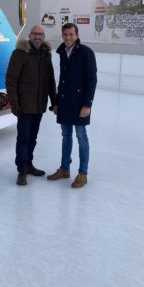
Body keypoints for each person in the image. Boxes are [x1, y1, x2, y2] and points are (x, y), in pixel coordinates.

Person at [5, 25, 57, 186]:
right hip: (24, 105)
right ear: (29, 35)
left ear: (43, 36)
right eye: (35, 33)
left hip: (39, 105)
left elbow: (50, 81)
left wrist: (54, 101)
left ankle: (28, 165)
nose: (37, 37)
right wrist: (14, 103)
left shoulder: (45, 54)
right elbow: (11, 80)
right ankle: (21, 170)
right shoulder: (19, 54)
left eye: (40, 34)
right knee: (23, 138)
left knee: (32, 138)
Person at [47, 23, 97, 188]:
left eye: (71, 35)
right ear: (62, 35)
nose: (68, 38)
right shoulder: (62, 52)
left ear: (77, 35)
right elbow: (62, 80)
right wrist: (56, 103)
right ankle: (65, 168)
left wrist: (87, 104)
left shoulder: (85, 53)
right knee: (66, 136)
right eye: (65, 35)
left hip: (80, 104)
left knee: (81, 136)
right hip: (65, 102)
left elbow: (91, 80)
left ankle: (83, 172)